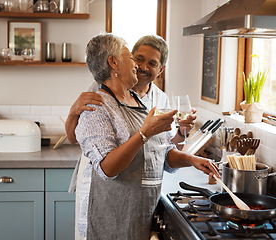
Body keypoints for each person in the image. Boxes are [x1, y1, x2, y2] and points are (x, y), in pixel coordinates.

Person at [74, 33, 220, 239]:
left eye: (150, 63)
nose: (136, 65)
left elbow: (162, 151)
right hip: (114, 214)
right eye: (132, 57)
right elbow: (107, 168)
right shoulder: (97, 104)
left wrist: (192, 160)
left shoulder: (138, 101)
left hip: (141, 211)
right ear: (114, 63)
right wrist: (145, 132)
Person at [65, 35, 196, 149]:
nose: (143, 67)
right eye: (139, 59)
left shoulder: (161, 98)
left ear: (161, 70)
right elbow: (72, 138)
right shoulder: (102, 88)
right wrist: (73, 112)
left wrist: (182, 132)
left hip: (141, 175)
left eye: (152, 63)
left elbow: (167, 149)